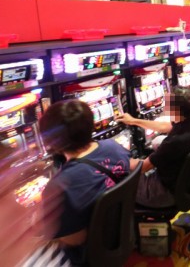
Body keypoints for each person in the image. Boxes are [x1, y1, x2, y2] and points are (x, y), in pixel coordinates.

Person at [38, 99, 130, 265]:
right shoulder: (113, 146)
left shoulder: (60, 185)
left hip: (90, 254)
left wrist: (37, 225)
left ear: (51, 142)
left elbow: (75, 239)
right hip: (122, 232)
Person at [118, 86, 190, 208]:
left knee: (119, 174)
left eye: (167, 104)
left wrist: (116, 156)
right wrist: (133, 121)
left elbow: (142, 167)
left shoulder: (174, 142)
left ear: (175, 110)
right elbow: (164, 127)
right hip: (185, 181)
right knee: (157, 141)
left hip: (164, 192)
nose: (164, 106)